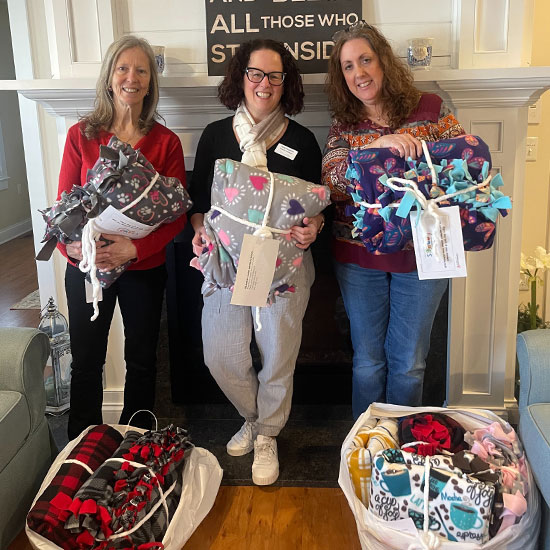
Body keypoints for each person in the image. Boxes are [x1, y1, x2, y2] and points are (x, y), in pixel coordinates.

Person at [189, 39, 324, 485]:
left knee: (279, 357)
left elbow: (317, 209)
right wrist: (199, 230)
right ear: (240, 76)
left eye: (275, 75)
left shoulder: (303, 141)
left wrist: (314, 226)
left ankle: (266, 435)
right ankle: (256, 416)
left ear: (287, 82)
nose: (264, 84)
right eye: (256, 73)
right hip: (227, 263)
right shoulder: (214, 135)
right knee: (222, 354)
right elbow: (197, 204)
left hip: (284, 266)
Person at [322, 22, 465, 419]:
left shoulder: (432, 109)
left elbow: (462, 170)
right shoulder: (344, 124)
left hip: (424, 255)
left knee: (410, 364)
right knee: (367, 361)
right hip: (358, 258)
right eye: (348, 67)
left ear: (383, 61)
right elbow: (331, 180)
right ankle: (365, 446)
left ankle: (399, 447)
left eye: (365, 60)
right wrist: (376, 149)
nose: (359, 73)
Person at [58, 35, 187, 439]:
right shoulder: (81, 135)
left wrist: (134, 248)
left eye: (141, 71)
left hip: (143, 269)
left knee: (143, 360)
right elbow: (63, 206)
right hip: (87, 269)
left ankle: (137, 446)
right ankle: (79, 447)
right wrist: (71, 246)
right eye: (123, 68)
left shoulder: (166, 143)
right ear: (110, 78)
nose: (131, 77)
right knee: (87, 360)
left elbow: (177, 218)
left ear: (150, 83)